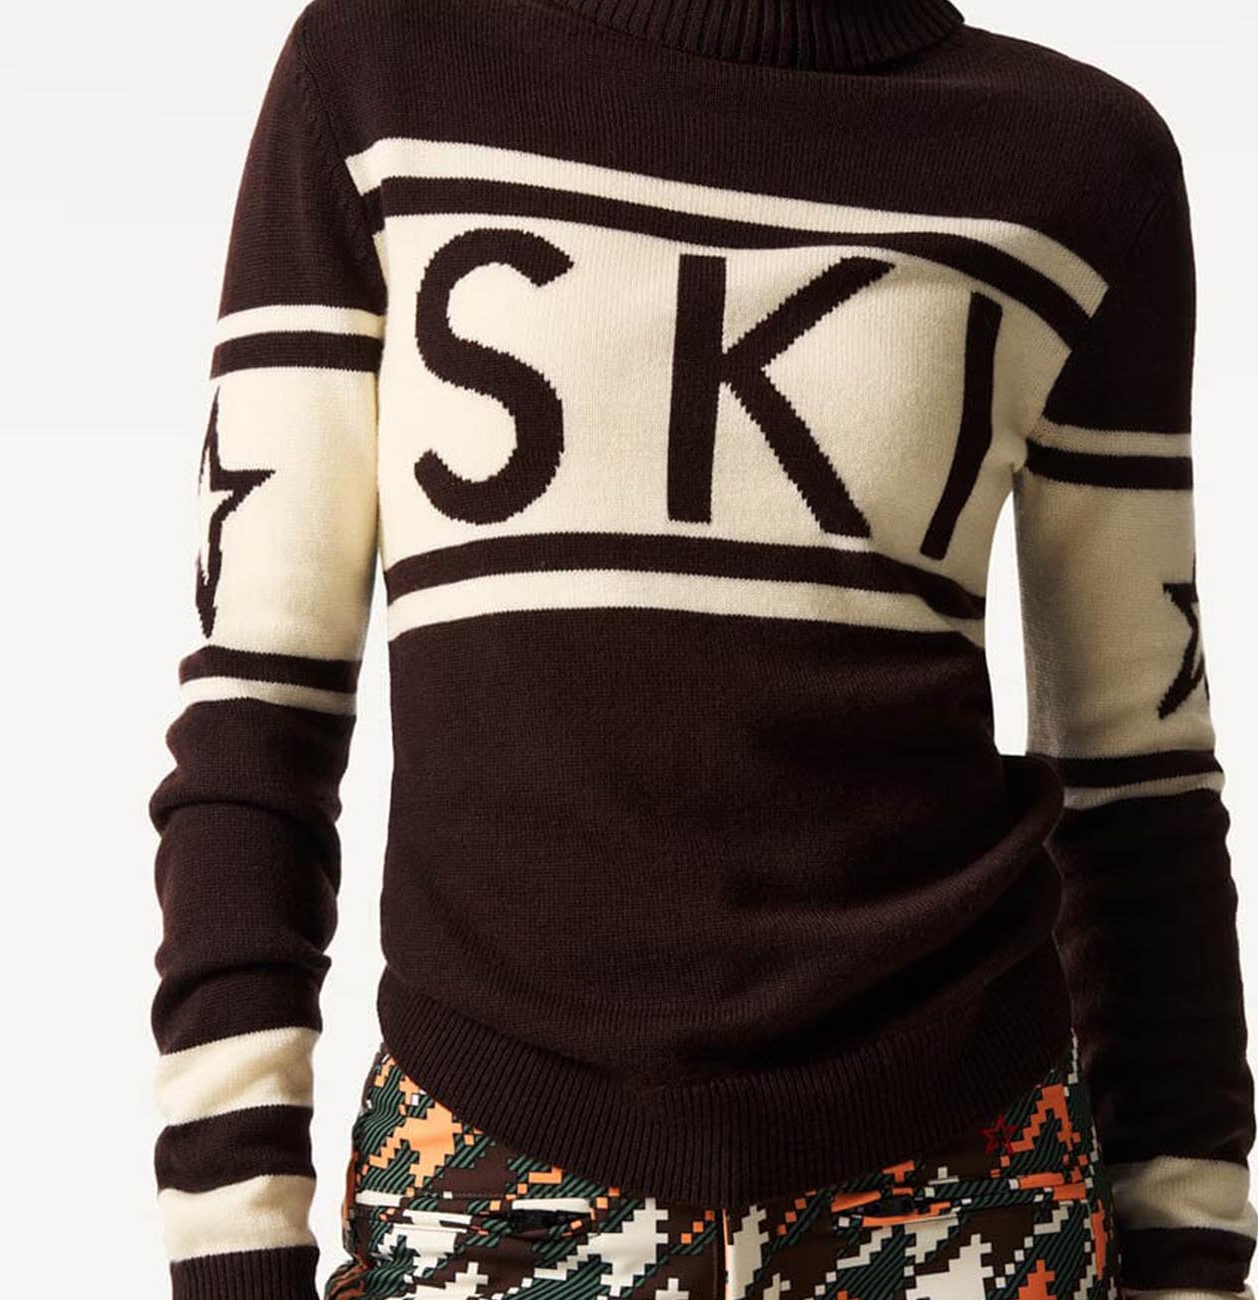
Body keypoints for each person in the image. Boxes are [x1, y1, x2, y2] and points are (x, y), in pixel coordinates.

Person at [147, 2, 1258, 1298]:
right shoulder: (380, 68)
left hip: (966, 1189)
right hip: (494, 1192)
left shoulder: (1079, 158)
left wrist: (1191, 1247)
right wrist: (230, 1234)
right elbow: (259, 709)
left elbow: (1140, 776)